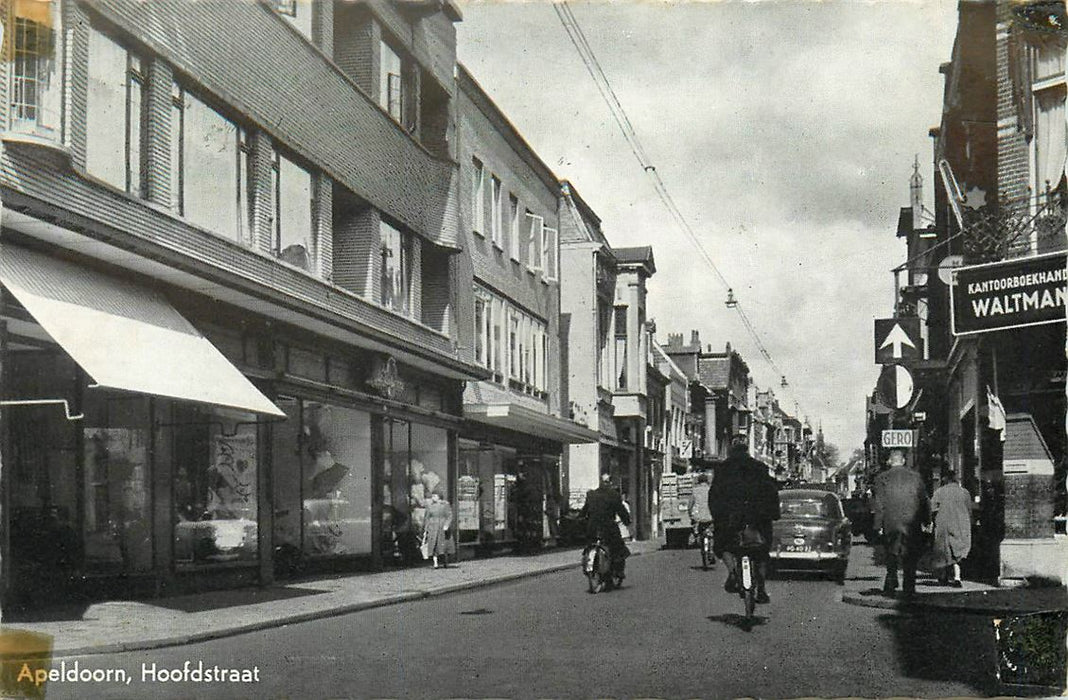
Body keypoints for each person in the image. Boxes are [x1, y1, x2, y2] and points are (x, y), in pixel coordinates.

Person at [708, 437, 780, 604]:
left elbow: (715, 495)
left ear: (732, 451)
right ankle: (761, 588)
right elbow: (771, 491)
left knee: (722, 545)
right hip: (757, 518)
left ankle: (732, 572)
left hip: (731, 519)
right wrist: (773, 513)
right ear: (747, 450)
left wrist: (717, 516)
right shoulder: (759, 467)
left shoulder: (723, 468)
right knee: (763, 551)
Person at [872, 449, 930, 597]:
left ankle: (891, 582)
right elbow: (924, 500)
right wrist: (927, 520)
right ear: (903, 461)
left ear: (890, 461)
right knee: (910, 555)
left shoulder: (881, 478)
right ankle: (909, 587)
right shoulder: (916, 477)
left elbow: (879, 504)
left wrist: (878, 525)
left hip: (891, 521)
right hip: (912, 520)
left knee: (891, 553)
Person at [580, 473, 632, 579]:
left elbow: (584, 511)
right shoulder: (614, 495)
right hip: (608, 527)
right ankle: (618, 571)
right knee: (618, 548)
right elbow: (621, 511)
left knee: (590, 545)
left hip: (592, 528)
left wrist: (582, 520)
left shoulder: (591, 494)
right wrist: (627, 522)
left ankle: (589, 562)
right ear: (610, 483)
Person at [930, 470, 971, 587]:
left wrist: (931, 521)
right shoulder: (964, 492)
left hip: (944, 525)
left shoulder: (939, 492)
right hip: (961, 525)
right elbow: (969, 510)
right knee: (958, 551)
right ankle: (957, 578)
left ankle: (943, 576)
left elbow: (932, 508)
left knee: (944, 551)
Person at [423, 492, 454, 570]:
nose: (433, 497)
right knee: (434, 546)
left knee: (444, 546)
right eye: (432, 496)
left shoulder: (445, 505)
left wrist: (446, 525)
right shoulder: (430, 506)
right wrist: (426, 529)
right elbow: (427, 518)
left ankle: (445, 562)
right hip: (433, 528)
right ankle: (435, 563)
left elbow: (449, 516)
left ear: (439, 497)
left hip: (442, 528)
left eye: (435, 496)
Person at [687, 472, 714, 563]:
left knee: (697, 531)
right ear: (707, 481)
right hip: (710, 516)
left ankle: (696, 536)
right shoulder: (711, 490)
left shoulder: (695, 490)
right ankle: (711, 550)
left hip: (698, 517)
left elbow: (690, 505)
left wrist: (690, 514)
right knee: (712, 534)